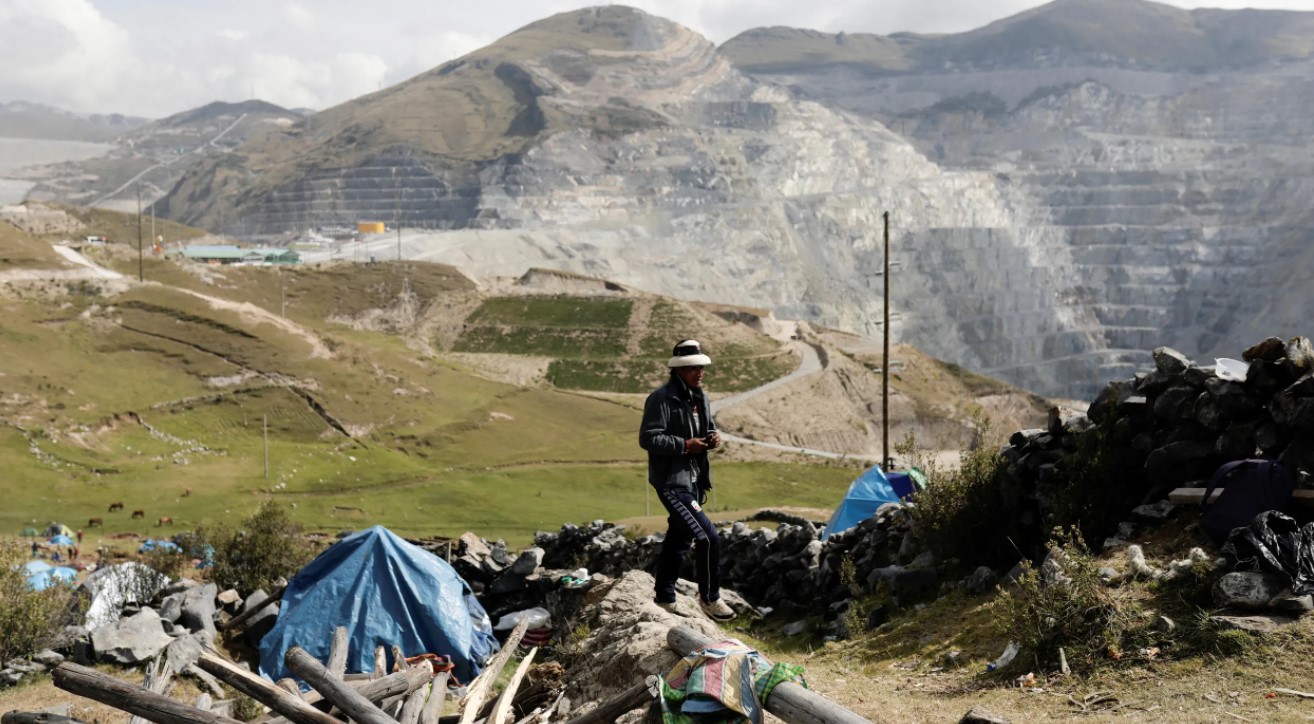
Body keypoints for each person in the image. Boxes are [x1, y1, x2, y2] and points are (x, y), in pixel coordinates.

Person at [639, 339, 735, 621]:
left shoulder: (700, 397)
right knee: (707, 537)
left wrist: (713, 437)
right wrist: (684, 445)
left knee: (678, 539)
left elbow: (706, 428)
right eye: (693, 368)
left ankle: (665, 597)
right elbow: (648, 438)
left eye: (700, 367)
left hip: (693, 479)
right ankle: (710, 598)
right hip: (671, 481)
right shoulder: (661, 399)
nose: (699, 372)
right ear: (679, 370)